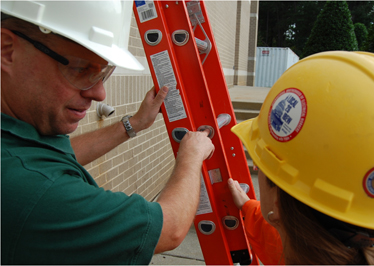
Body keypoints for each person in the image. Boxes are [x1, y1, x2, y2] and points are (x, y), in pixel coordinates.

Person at [1, 1, 214, 264]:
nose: (99, 93)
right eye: (80, 69)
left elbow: (50, 159)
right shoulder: (35, 191)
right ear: (7, 50)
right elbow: (169, 229)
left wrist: (134, 124)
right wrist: (191, 156)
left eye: (104, 72)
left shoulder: (15, 143)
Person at [228, 51, 374, 265]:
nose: (257, 170)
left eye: (264, 166)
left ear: (277, 204)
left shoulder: (294, 249)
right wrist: (247, 206)